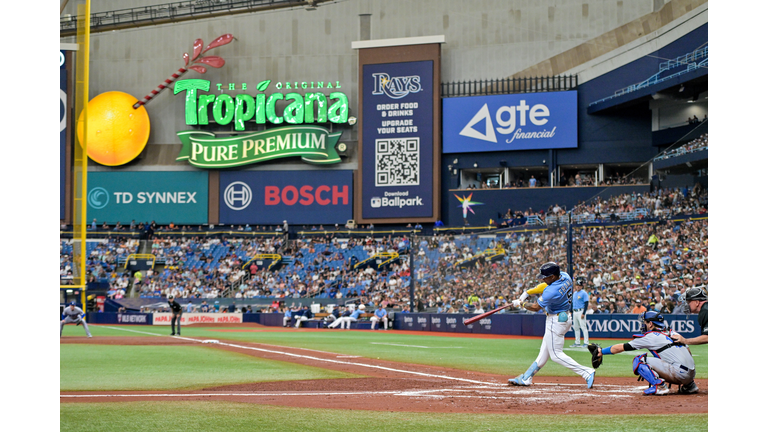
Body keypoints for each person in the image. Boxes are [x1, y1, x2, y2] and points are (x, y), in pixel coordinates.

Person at [508, 262, 596, 388]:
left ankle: (586, 372)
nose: (543, 278)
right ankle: (527, 377)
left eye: (546, 276)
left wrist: (521, 304)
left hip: (555, 321)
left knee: (555, 355)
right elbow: (544, 285)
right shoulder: (565, 276)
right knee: (544, 352)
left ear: (553, 276)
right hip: (564, 318)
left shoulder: (551, 291)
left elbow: (536, 307)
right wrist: (528, 292)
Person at [594, 311, 695, 396]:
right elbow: (688, 351)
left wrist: (601, 352)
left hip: (679, 374)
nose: (643, 324)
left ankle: (659, 386)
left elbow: (621, 347)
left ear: (650, 324)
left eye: (644, 322)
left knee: (639, 360)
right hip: (691, 374)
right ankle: (690, 386)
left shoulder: (650, 336)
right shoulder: (672, 333)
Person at [669, 287, 707, 394]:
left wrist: (685, 340)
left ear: (696, 302)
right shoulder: (706, 310)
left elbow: (708, 337)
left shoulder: (705, 311)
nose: (687, 305)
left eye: (689, 302)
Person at [571, 280, 590, 347]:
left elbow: (586, 303)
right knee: (576, 327)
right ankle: (577, 342)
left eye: (579, 286)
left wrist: (584, 313)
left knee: (583, 327)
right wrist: (571, 311)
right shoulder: (574, 293)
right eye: (577, 285)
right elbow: (572, 303)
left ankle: (586, 342)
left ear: (582, 286)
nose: (578, 287)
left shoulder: (584, 293)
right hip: (575, 311)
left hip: (580, 311)